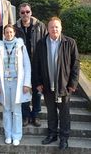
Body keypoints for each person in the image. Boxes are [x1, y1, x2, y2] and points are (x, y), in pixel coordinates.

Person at [34, 17, 80, 150]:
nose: (54, 29)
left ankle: (64, 138)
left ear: (61, 28)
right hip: (47, 85)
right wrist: (38, 83)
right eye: (51, 27)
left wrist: (73, 83)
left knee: (64, 113)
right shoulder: (41, 43)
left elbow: (75, 65)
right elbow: (36, 64)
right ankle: (52, 134)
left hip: (63, 86)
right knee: (51, 112)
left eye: (56, 27)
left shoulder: (69, 43)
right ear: (47, 29)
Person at [0, 24, 31, 146]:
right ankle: (8, 134)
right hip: (4, 81)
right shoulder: (0, 46)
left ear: (14, 33)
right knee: (6, 109)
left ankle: (17, 135)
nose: (8, 34)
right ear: (4, 34)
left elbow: (27, 65)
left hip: (17, 82)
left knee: (17, 110)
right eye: (6, 32)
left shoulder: (20, 46)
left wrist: (26, 83)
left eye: (11, 32)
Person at [14, 3, 47, 127]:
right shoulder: (15, 28)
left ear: (31, 12)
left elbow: (46, 45)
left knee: (37, 91)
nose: (25, 14)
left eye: (27, 12)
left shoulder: (40, 26)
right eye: (22, 12)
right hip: (21, 66)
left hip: (37, 64)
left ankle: (36, 115)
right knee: (24, 91)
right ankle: (26, 115)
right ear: (19, 14)